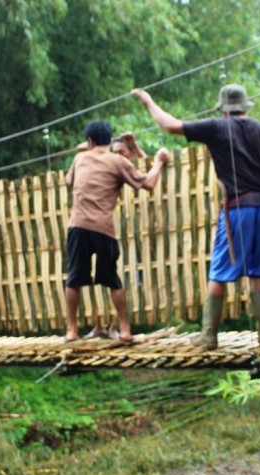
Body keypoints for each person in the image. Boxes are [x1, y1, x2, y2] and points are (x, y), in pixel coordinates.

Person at [132, 84, 260, 349]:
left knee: (219, 271)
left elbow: (171, 126)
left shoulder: (216, 127)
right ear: (245, 107)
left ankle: (209, 335)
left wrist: (148, 102)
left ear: (223, 110)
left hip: (238, 208)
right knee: (258, 272)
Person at [64, 120, 169, 343]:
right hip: (103, 228)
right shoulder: (117, 162)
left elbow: (69, 181)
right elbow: (148, 184)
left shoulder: (79, 158)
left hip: (77, 225)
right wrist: (159, 162)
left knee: (73, 279)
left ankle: (71, 331)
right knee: (112, 279)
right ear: (108, 140)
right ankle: (125, 330)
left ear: (90, 141)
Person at [84, 131, 149, 340]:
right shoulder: (109, 168)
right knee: (103, 280)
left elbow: (149, 175)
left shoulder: (129, 167)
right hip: (110, 228)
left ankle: (121, 327)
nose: (119, 156)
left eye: (123, 152)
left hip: (138, 234)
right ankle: (104, 325)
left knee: (126, 282)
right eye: (115, 152)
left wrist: (136, 147)